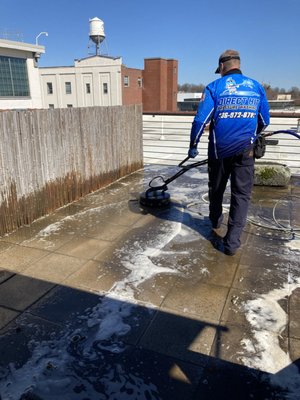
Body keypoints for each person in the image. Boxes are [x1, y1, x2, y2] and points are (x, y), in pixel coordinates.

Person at [188, 49, 270, 255]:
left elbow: (200, 120)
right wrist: (251, 136)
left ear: (223, 66)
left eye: (220, 69)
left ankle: (215, 222)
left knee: (216, 189)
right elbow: (265, 120)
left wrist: (193, 146)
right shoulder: (256, 87)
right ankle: (232, 243)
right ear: (238, 64)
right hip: (246, 151)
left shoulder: (214, 87)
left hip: (219, 151)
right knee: (241, 195)